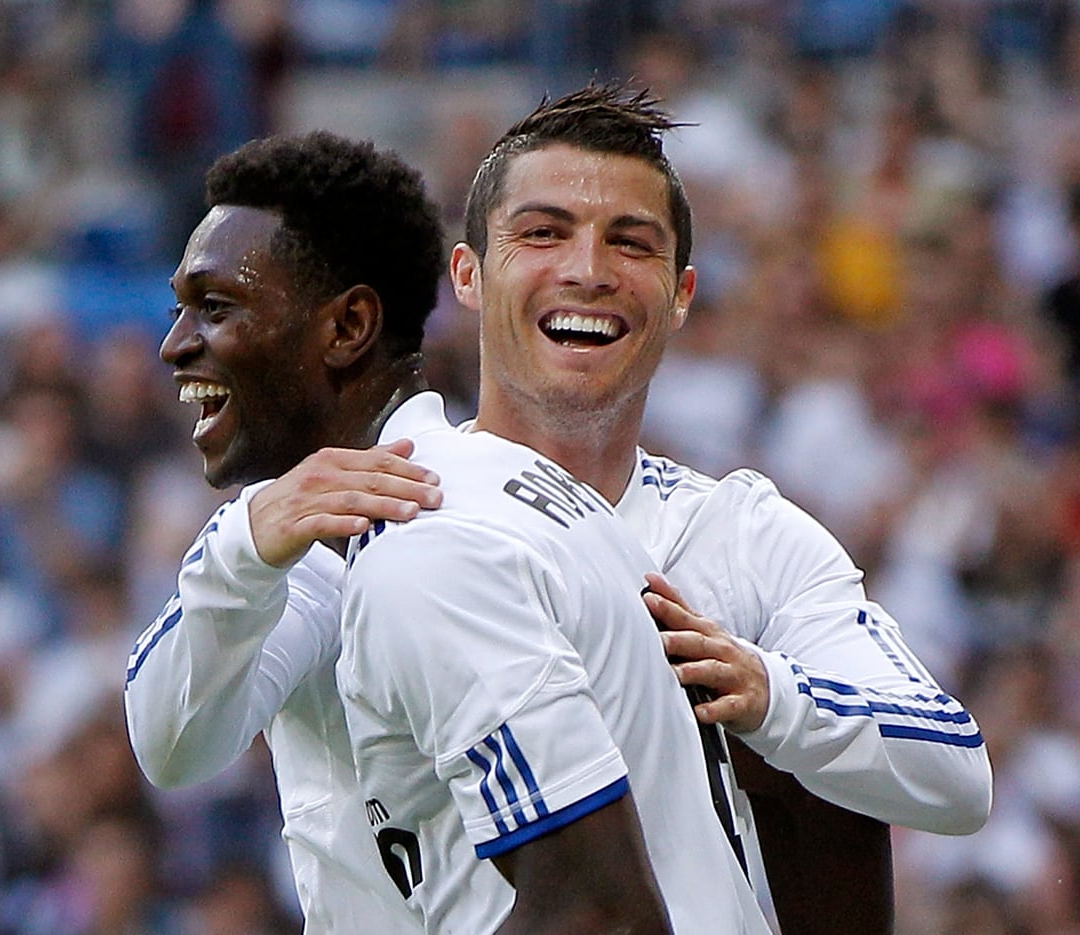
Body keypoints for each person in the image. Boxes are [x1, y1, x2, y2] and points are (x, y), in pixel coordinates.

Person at [126, 131, 770, 933]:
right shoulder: (368, 533)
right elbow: (172, 743)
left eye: (216, 306)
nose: (175, 342)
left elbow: (597, 911)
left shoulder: (430, 549)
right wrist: (242, 544)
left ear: (348, 325)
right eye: (180, 307)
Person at [445, 83, 993, 931]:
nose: (588, 271)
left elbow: (957, 774)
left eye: (630, 243)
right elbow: (172, 730)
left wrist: (770, 696)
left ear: (682, 294)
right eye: (543, 233)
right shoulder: (382, 512)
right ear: (469, 273)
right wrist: (253, 553)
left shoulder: (742, 536)